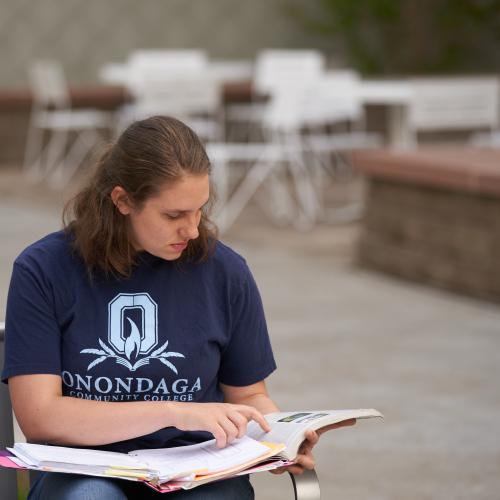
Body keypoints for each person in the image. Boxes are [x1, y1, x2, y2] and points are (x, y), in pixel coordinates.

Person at [2, 116, 338, 499]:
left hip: (197, 467)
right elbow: (41, 418)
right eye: (174, 215)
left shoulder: (224, 272)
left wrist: (279, 438)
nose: (193, 230)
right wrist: (174, 411)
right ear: (122, 200)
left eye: (200, 209)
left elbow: (248, 397)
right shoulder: (44, 269)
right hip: (82, 467)